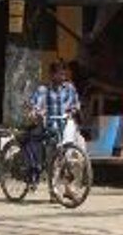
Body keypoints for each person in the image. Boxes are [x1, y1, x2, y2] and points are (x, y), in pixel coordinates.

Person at [22, 61, 82, 193]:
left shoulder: (70, 88)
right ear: (52, 75)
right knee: (52, 158)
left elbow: (76, 104)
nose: (62, 76)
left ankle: (69, 188)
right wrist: (36, 111)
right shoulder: (43, 90)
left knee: (71, 156)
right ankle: (53, 190)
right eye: (59, 73)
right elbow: (35, 104)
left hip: (66, 123)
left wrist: (72, 110)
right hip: (51, 125)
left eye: (63, 73)